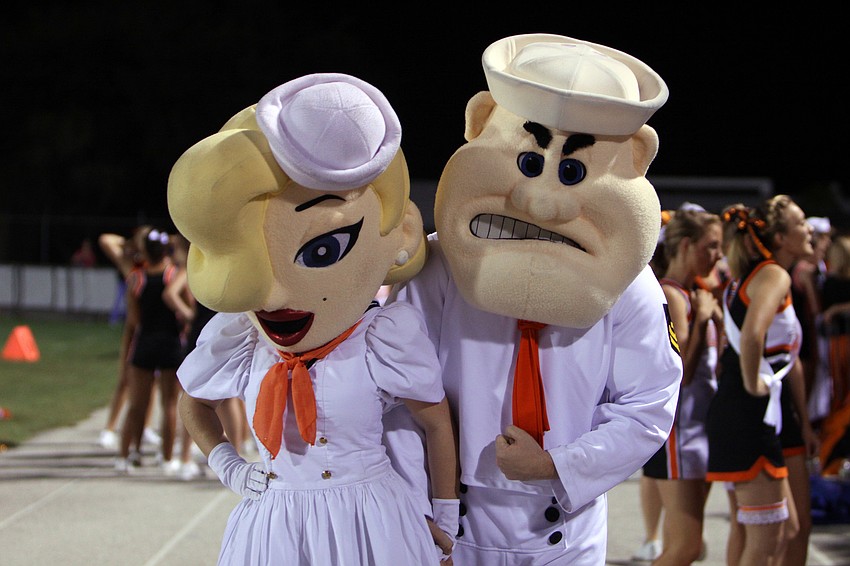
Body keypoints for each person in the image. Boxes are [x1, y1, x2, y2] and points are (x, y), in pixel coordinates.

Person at [388, 34, 682, 565]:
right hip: (452, 520)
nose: (541, 200)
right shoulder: (441, 266)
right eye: (529, 162)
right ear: (479, 124)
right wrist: (422, 509)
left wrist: (559, 465)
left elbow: (648, 408)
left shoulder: (628, 284)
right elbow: (399, 396)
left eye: (572, 171)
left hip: (564, 531)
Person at [169, 74, 459, 564]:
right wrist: (230, 467)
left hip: (371, 517)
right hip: (275, 517)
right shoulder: (242, 339)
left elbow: (435, 423)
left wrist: (444, 518)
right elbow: (193, 405)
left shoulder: (380, 338)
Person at [705, 195, 814, 566]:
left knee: (783, 530)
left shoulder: (755, 275)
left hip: (748, 414)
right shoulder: (773, 274)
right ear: (780, 238)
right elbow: (752, 335)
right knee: (769, 537)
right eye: (801, 223)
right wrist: (755, 388)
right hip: (749, 415)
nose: (809, 229)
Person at [642, 208, 722, 565]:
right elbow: (682, 373)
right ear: (687, 245)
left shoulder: (694, 292)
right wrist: (703, 319)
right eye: (712, 246)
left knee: (687, 546)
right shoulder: (674, 295)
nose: (718, 255)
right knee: (685, 548)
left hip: (697, 429)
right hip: (678, 433)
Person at [116, 227, 194, 473]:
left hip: (146, 342)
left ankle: (131, 452)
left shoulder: (136, 279)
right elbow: (188, 307)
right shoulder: (174, 275)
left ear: (145, 252)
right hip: (170, 343)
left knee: (137, 404)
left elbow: (133, 319)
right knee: (169, 404)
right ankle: (168, 456)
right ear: (165, 251)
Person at [97, 226, 160, 452]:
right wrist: (131, 243)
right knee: (126, 379)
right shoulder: (132, 267)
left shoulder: (161, 264)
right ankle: (109, 428)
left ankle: (146, 426)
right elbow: (106, 238)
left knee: (152, 381)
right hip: (136, 330)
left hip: (158, 329)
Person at [820, 234, 850, 476]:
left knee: (841, 398)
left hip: (840, 343)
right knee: (840, 398)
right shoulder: (831, 282)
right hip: (839, 342)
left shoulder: (831, 282)